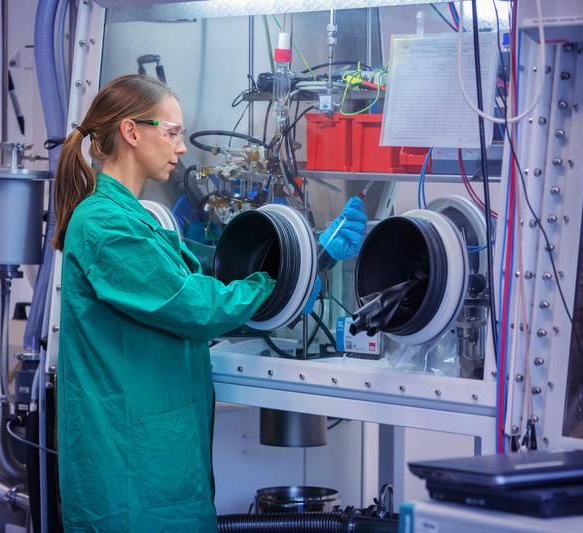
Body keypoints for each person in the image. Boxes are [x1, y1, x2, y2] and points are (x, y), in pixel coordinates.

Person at [52, 74, 366, 532]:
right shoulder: (104, 225)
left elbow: (198, 271)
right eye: (173, 132)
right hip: (129, 471)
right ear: (132, 132)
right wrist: (288, 274)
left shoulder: (131, 216)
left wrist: (309, 250)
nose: (181, 148)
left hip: (157, 459)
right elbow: (198, 306)